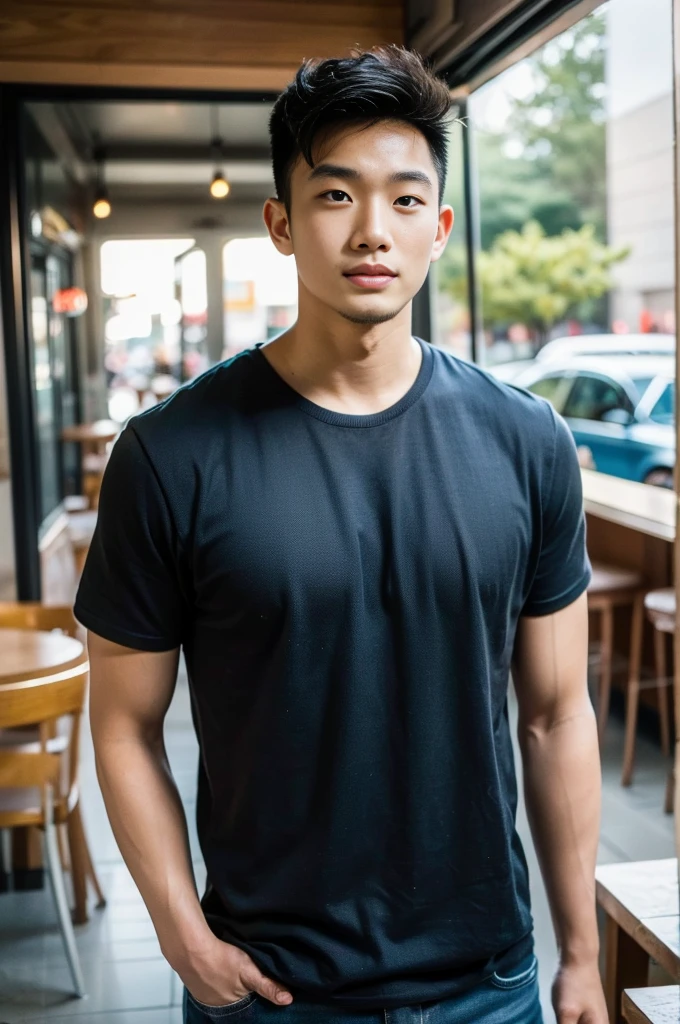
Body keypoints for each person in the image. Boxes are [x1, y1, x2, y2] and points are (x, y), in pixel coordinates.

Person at [75, 45, 607, 1024]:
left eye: (405, 200)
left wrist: (578, 952)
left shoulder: (526, 439)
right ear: (280, 222)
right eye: (334, 196)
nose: (372, 231)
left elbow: (554, 712)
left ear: (439, 228)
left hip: (485, 983)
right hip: (273, 991)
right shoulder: (169, 453)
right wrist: (181, 933)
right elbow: (122, 725)